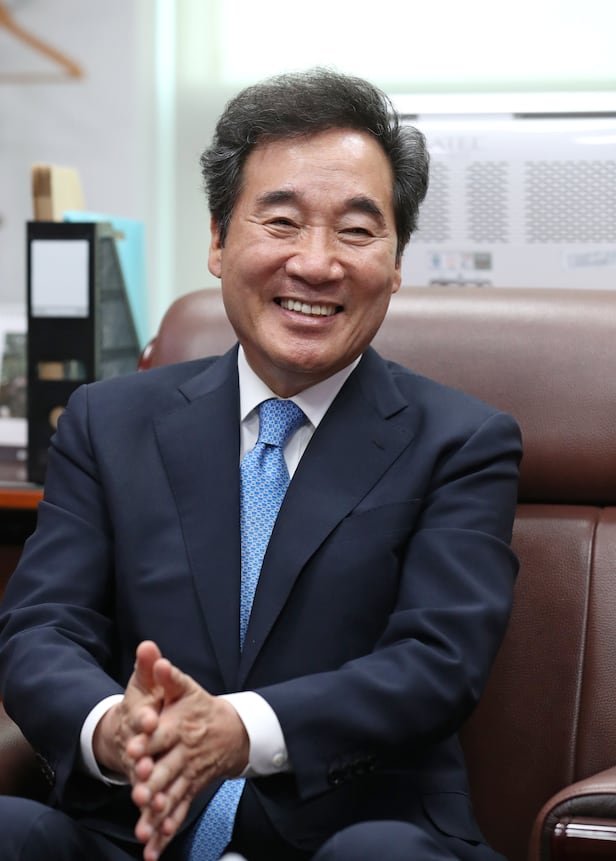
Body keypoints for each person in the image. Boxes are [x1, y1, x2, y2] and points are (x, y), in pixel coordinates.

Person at [0, 68, 522, 861]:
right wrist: (114, 728)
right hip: (132, 834)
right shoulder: (110, 422)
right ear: (217, 240)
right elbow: (42, 627)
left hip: (348, 836)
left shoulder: (462, 441)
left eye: (357, 230)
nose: (316, 263)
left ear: (396, 261)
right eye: (281, 222)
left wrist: (238, 730)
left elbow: (437, 663)